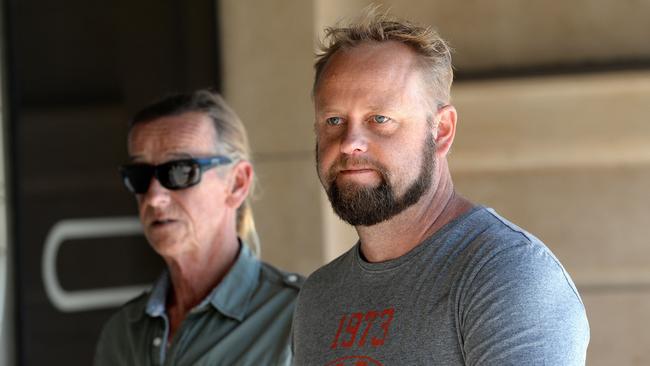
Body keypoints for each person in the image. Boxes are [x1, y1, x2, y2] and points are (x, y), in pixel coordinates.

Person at [292, 9, 590, 365]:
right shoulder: (319, 297)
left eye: (380, 119)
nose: (349, 142)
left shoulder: (508, 276)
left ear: (442, 131)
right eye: (334, 120)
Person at [94, 90, 301, 365]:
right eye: (140, 176)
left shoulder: (298, 318)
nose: (155, 197)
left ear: (237, 183)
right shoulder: (122, 333)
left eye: (180, 171)